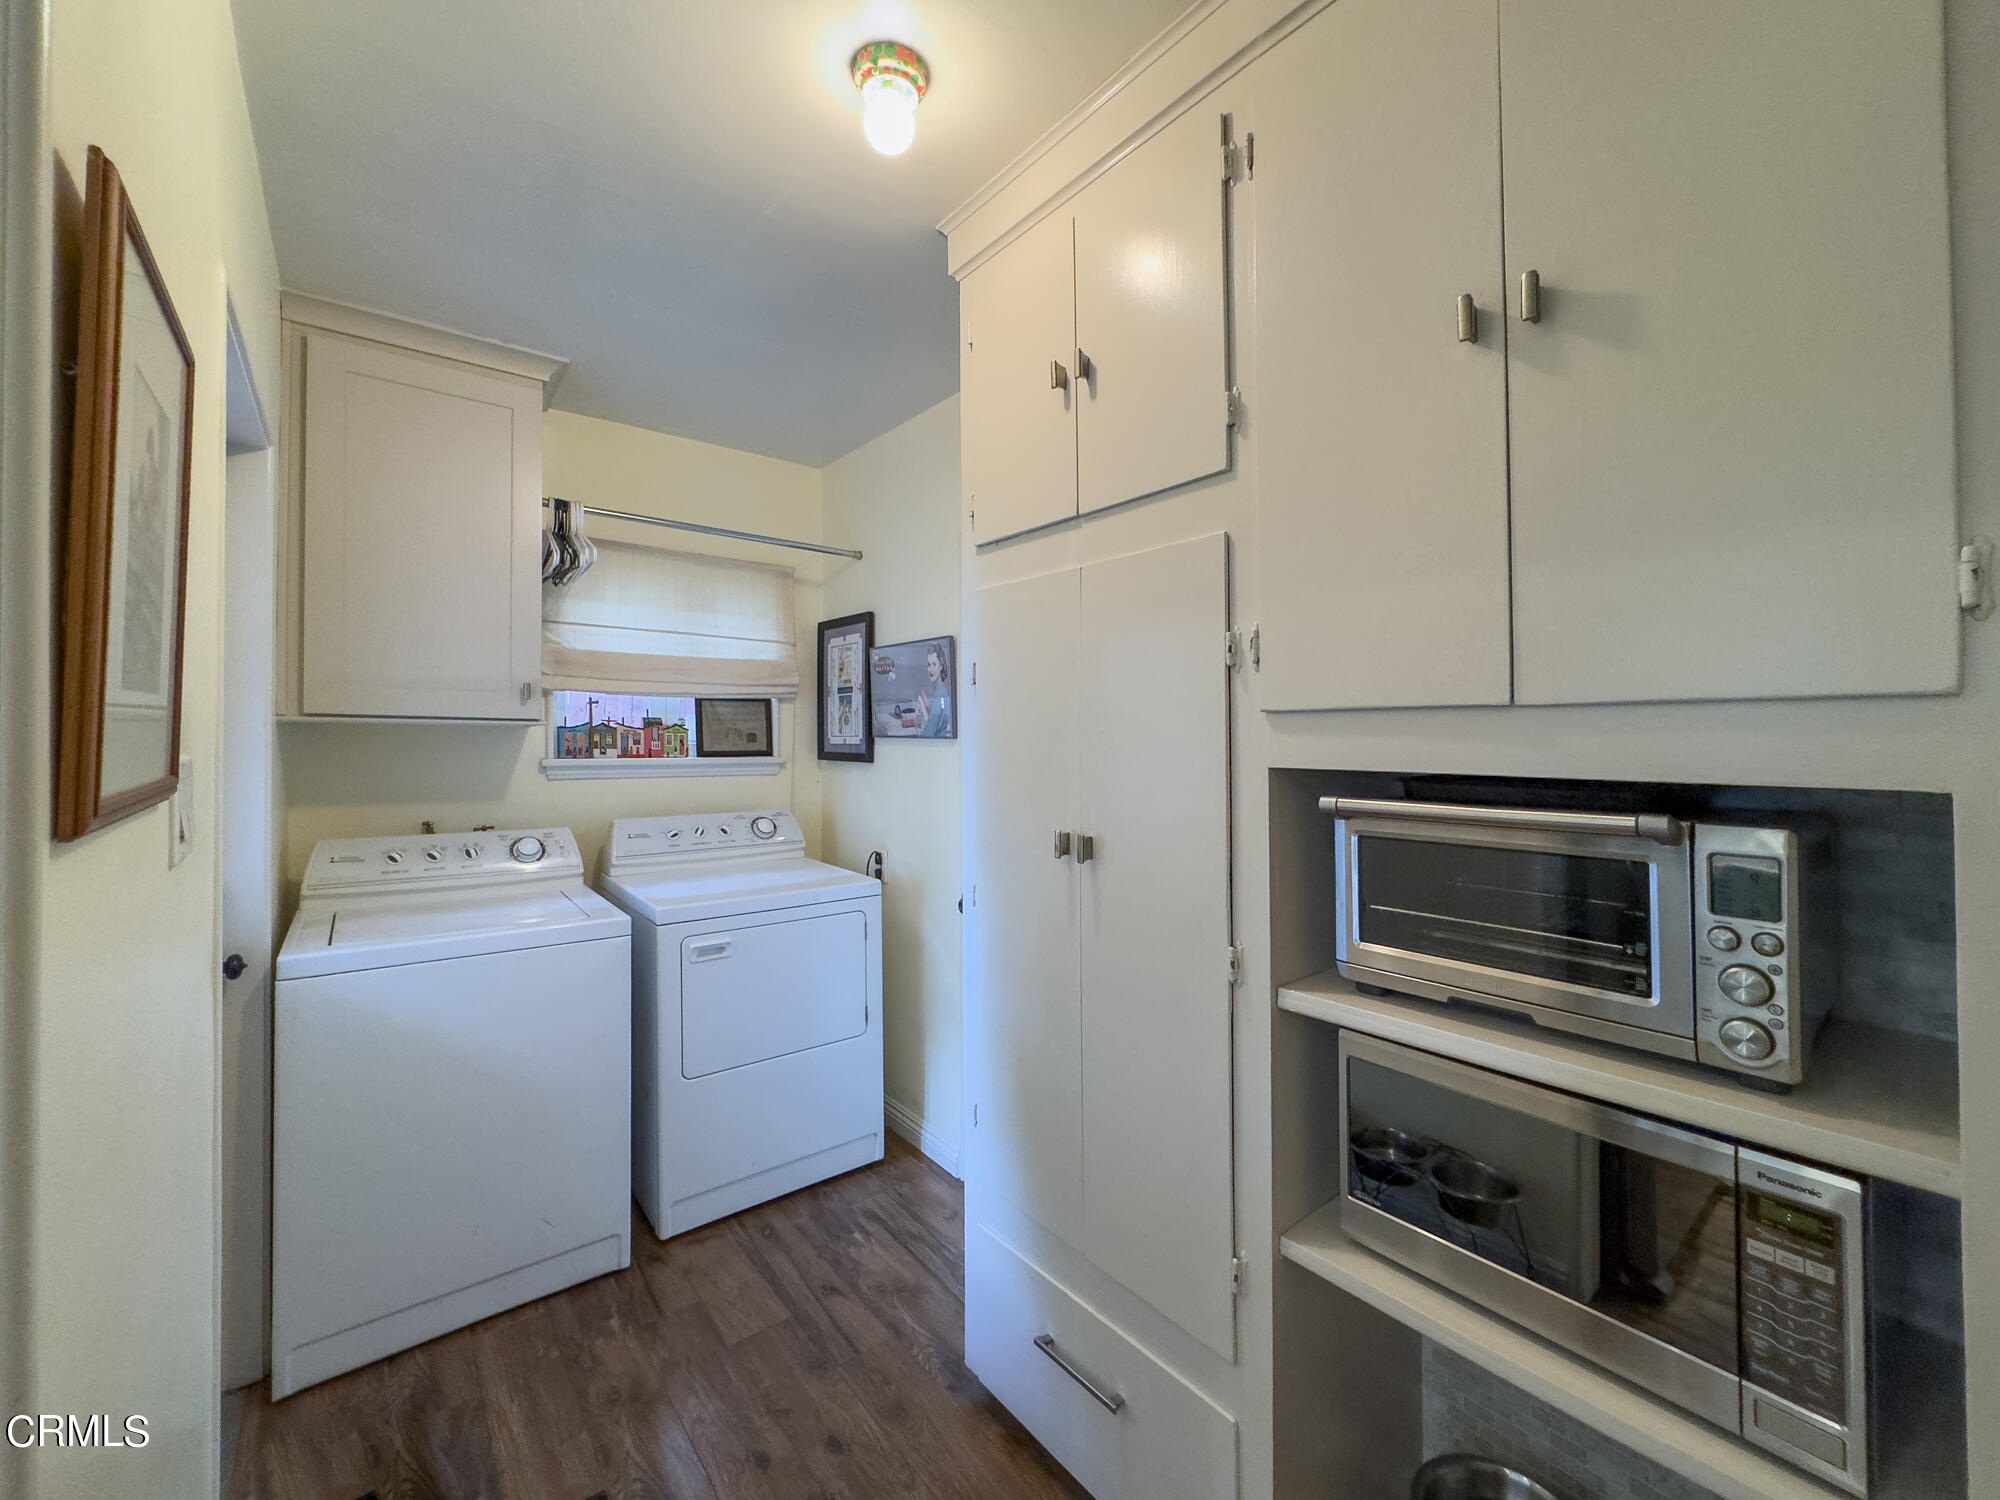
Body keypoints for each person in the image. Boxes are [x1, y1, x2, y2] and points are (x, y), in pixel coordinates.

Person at [917, 641, 953, 738]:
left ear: (941, 666)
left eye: (934, 664)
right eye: (929, 665)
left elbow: (929, 733)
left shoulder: (940, 694)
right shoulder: (940, 690)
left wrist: (919, 732)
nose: (931, 669)